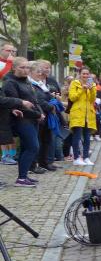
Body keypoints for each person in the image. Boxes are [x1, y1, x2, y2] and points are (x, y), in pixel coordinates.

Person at [3, 58, 44, 187]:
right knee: (33, 147)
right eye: (22, 67)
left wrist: (40, 113)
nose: (26, 70)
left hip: (33, 119)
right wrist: (37, 114)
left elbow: (34, 100)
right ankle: (21, 179)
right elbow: (16, 104)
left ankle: (23, 176)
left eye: (27, 67)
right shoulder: (10, 83)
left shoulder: (26, 81)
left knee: (27, 147)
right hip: (21, 119)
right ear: (14, 68)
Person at [68, 67, 97, 166]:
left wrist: (91, 89)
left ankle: (86, 157)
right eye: (83, 73)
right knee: (77, 136)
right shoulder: (74, 83)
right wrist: (82, 89)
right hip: (77, 113)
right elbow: (72, 97)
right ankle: (76, 157)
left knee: (87, 137)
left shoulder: (92, 84)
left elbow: (92, 99)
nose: (85, 75)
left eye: (87, 74)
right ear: (80, 74)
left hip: (88, 114)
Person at [1, 44, 18, 165]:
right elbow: (3, 76)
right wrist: (9, 63)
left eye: (14, 51)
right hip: (2, 98)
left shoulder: (15, 63)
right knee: (4, 128)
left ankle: (13, 154)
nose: (12, 53)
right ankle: (5, 155)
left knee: (13, 130)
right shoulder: (5, 63)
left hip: (13, 97)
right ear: (2, 50)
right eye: (9, 50)